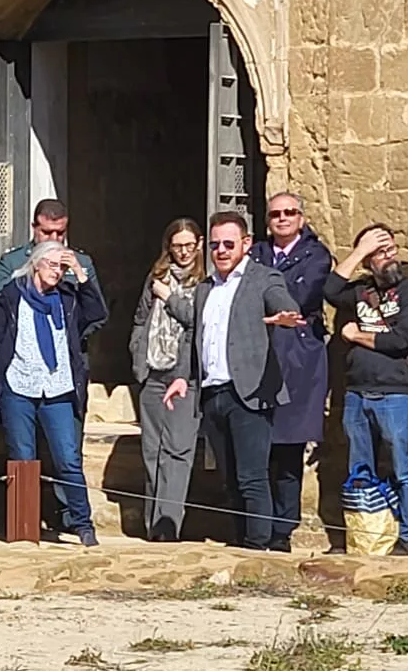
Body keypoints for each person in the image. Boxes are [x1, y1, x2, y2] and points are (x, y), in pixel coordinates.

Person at [162, 211, 304, 552]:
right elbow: (193, 336)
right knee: (229, 477)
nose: (221, 251)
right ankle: (241, 542)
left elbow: (281, 300)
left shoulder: (263, 278)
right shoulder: (205, 288)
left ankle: (258, 545)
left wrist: (285, 315)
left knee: (252, 475)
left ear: (246, 243)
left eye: (228, 244)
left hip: (250, 392)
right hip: (213, 393)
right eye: (215, 245)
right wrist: (182, 377)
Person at [0, 241, 110, 545]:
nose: (57, 272)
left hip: (58, 387)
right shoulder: (12, 295)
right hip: (19, 386)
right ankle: (24, 529)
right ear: (36, 264)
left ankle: (83, 524)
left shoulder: (67, 297)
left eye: (62, 267)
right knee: (23, 458)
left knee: (68, 458)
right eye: (53, 265)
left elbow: (97, 314)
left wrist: (79, 273)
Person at [327, 224, 408, 555]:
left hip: (396, 394)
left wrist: (356, 335)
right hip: (357, 393)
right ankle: (366, 537)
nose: (388, 257)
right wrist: (359, 251)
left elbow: (401, 340)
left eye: (390, 249)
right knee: (360, 469)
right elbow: (330, 290)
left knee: (404, 468)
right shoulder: (360, 290)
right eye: (379, 252)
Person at [249, 192, 333, 551]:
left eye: (289, 212)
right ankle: (255, 526)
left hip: (298, 358)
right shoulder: (256, 253)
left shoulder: (316, 256)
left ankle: (282, 529)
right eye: (275, 214)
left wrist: (265, 304)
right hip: (258, 355)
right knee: (256, 448)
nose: (282, 218)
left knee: (287, 450)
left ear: (301, 218)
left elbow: (301, 298)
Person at [129, 218, 203, 541]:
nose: (183, 252)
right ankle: (153, 527)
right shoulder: (156, 277)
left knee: (177, 452)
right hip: (153, 372)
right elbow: (140, 318)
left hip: (183, 375)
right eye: (177, 246)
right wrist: (137, 350)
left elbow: (196, 321)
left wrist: (170, 297)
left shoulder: (206, 282)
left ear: (199, 245)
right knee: (152, 452)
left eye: (189, 245)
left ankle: (168, 526)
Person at [0, 199, 104, 335]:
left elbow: (98, 313)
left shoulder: (81, 263)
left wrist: (71, 336)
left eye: (60, 233)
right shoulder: (13, 262)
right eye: (46, 232)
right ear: (34, 228)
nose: (54, 239)